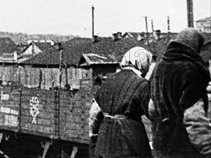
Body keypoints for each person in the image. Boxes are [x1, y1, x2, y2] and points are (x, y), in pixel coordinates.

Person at [149, 28, 211, 158]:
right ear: (195, 47)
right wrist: (207, 149)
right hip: (183, 146)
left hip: (161, 141)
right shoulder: (191, 70)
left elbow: (152, 109)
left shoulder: (159, 68)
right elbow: (194, 117)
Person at [89, 46, 153, 158]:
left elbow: (94, 113)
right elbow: (152, 112)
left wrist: (93, 136)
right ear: (143, 64)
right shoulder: (141, 84)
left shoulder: (108, 82)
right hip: (129, 138)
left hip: (104, 138)